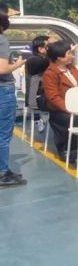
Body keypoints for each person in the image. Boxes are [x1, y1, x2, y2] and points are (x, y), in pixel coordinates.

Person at [42, 40, 78, 160]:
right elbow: (53, 98)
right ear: (59, 57)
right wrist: (71, 110)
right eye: (68, 53)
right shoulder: (50, 74)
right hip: (60, 110)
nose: (71, 56)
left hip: (76, 105)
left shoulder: (70, 68)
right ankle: (69, 149)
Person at [0, 13, 27, 187]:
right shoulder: (1, 40)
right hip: (2, 90)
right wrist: (17, 64)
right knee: (3, 134)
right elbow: (2, 69)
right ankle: (2, 173)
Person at [24, 35, 50, 134]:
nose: (53, 48)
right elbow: (51, 62)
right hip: (37, 99)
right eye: (49, 46)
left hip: (41, 97)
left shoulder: (40, 59)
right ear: (41, 49)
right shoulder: (35, 61)